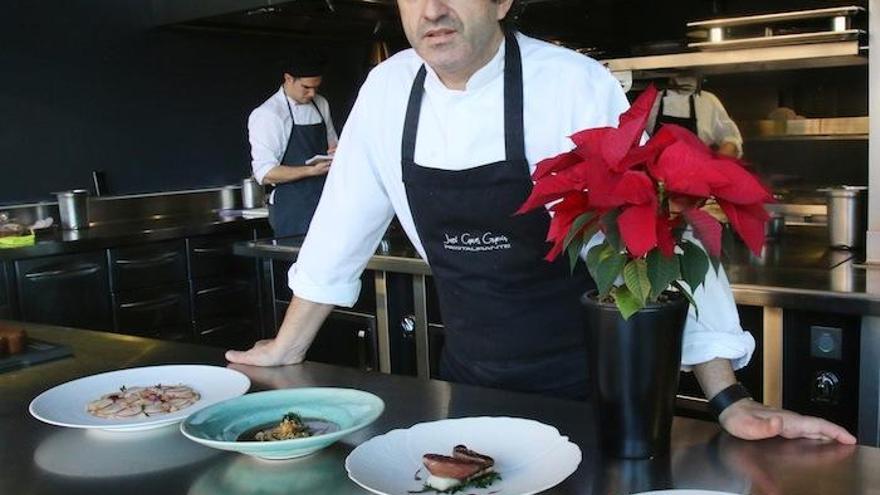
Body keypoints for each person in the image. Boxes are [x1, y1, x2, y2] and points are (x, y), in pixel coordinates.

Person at [229, 0, 855, 444]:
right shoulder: (386, 92)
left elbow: (658, 238)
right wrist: (287, 348)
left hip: (595, 387)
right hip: (471, 384)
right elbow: (341, 228)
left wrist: (728, 397)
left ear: (502, 1)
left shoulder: (573, 84)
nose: (432, 11)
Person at [247, 54, 338, 237]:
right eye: (306, 87)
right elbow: (265, 173)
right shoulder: (268, 115)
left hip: (327, 202)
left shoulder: (321, 104)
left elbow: (332, 145)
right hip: (294, 209)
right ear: (288, 79)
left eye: (316, 88)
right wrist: (310, 171)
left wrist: (336, 152)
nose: (312, 93)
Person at [647, 75, 744, 158]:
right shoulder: (653, 100)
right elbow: (634, 139)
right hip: (658, 176)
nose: (685, 75)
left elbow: (731, 138)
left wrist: (715, 163)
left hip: (697, 175)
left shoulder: (708, 101)